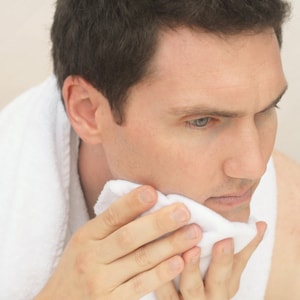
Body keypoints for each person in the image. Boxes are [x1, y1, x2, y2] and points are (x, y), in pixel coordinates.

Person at [0, 0, 299, 299]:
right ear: (88, 111)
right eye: (201, 121)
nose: (254, 165)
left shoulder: (290, 240)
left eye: (266, 110)